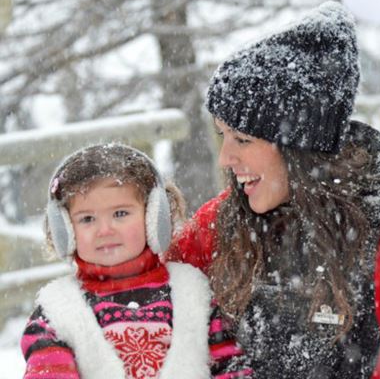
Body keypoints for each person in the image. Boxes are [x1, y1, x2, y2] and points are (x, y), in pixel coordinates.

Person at [167, 1, 380, 378]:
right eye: (223, 137)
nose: (225, 158)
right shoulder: (225, 223)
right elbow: (142, 290)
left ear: (297, 146)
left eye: (243, 139)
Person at [20, 143, 249, 378]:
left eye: (120, 214)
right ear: (65, 230)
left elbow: (232, 367)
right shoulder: (57, 312)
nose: (104, 230)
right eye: (87, 219)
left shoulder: (194, 293)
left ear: (154, 217)